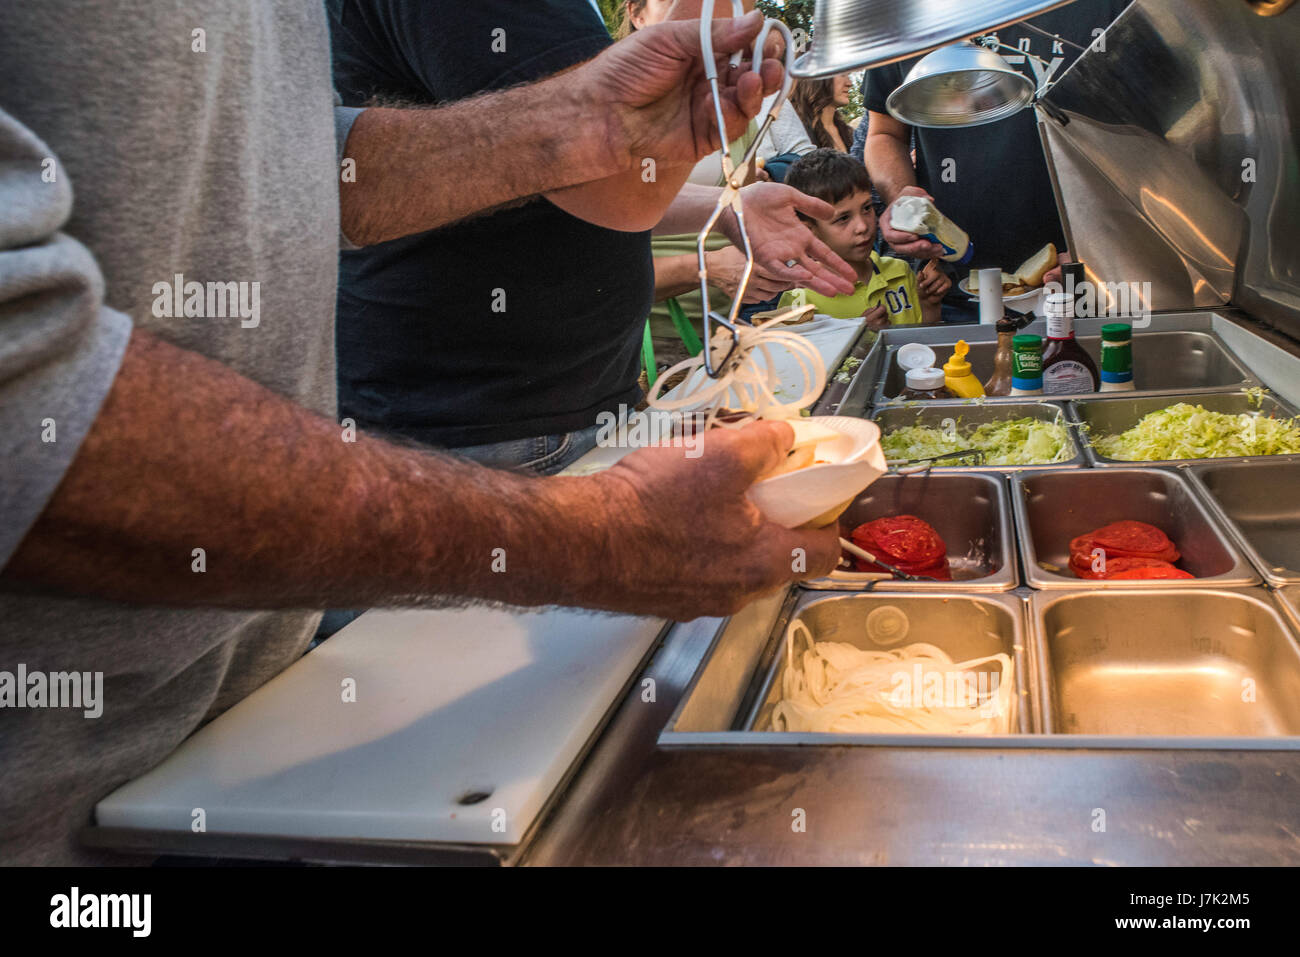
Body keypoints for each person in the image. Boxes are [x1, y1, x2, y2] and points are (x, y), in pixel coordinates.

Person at [0, 3, 842, 865]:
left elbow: (280, 164)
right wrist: (598, 535)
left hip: (260, 720)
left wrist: (575, 128)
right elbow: (22, 403)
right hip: (56, 802)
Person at [329, 0, 847, 474]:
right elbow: (613, 185)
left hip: (547, 414)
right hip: (490, 430)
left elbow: (564, 179)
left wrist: (727, 203)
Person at [863, 0, 1131, 315]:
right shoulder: (905, 13)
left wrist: (1100, 247)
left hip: (1096, 281)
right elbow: (884, 134)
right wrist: (901, 200)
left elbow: (1163, 126)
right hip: (955, 283)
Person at [622, 0, 827, 373]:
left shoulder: (731, 109)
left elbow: (743, 227)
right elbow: (595, 275)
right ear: (637, 13)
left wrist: (771, 262)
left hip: (725, 329)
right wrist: (706, 267)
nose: (700, 12)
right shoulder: (616, 109)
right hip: (643, 345)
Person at [776, 150, 949, 328]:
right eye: (843, 218)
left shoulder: (900, 272)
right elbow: (796, 355)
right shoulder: (801, 300)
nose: (862, 226)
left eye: (866, 208)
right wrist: (859, 337)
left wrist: (929, 305)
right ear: (809, 231)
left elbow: (920, 348)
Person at [790, 75, 855, 153]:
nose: (849, 83)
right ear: (819, 79)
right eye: (843, 75)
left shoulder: (849, 134)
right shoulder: (797, 133)